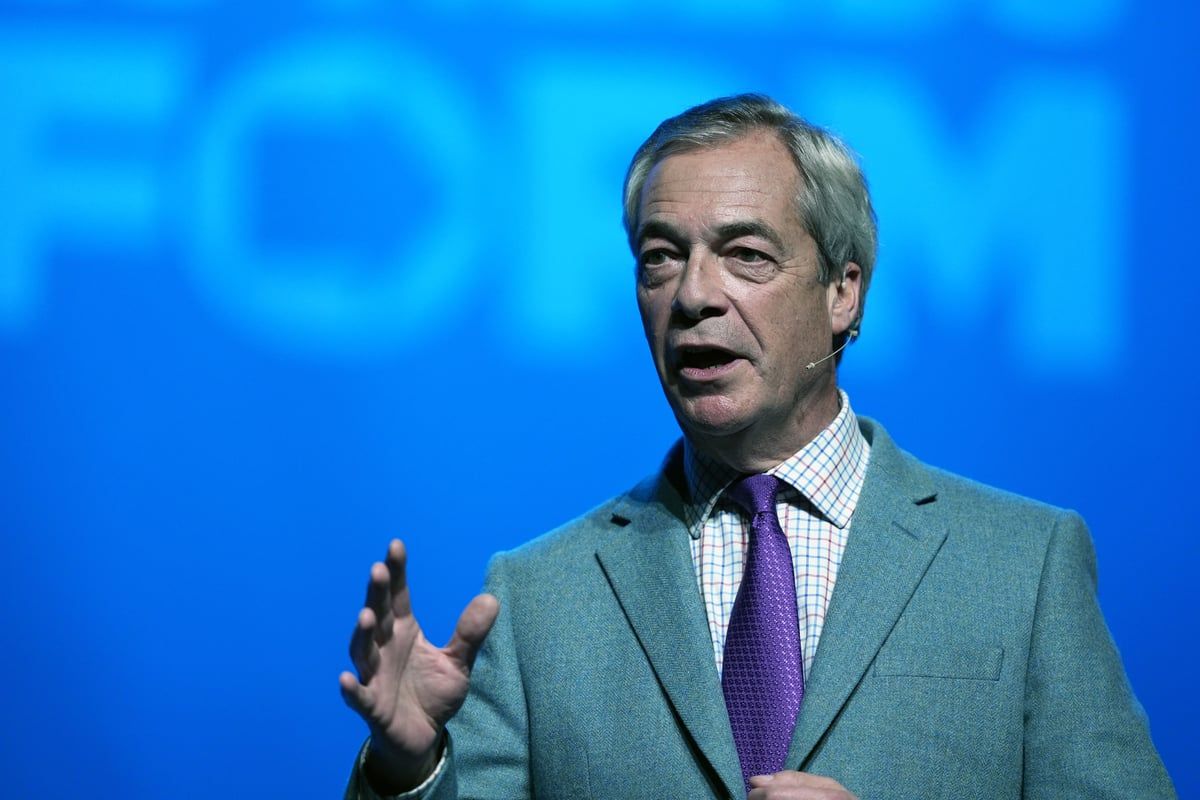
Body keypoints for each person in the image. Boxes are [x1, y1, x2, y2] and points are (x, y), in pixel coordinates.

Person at [338, 94, 1175, 799]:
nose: (693, 295)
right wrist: (409, 770)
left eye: (745, 255)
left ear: (843, 291)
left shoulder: (1023, 566)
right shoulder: (537, 599)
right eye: (660, 258)